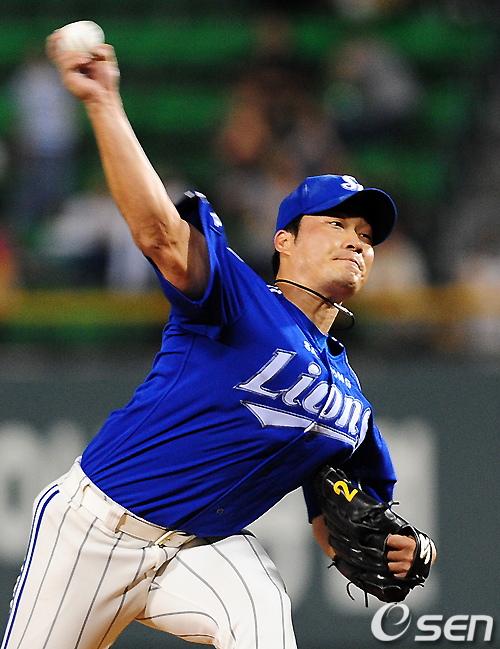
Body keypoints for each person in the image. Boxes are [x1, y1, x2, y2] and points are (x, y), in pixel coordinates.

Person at [1, 32, 430, 649]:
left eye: (366, 234)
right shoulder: (238, 296)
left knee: (262, 618)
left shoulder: (350, 407)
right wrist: (103, 101)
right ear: (284, 241)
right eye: (336, 223)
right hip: (94, 530)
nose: (355, 240)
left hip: (201, 550)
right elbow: (158, 233)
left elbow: (341, 525)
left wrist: (408, 549)